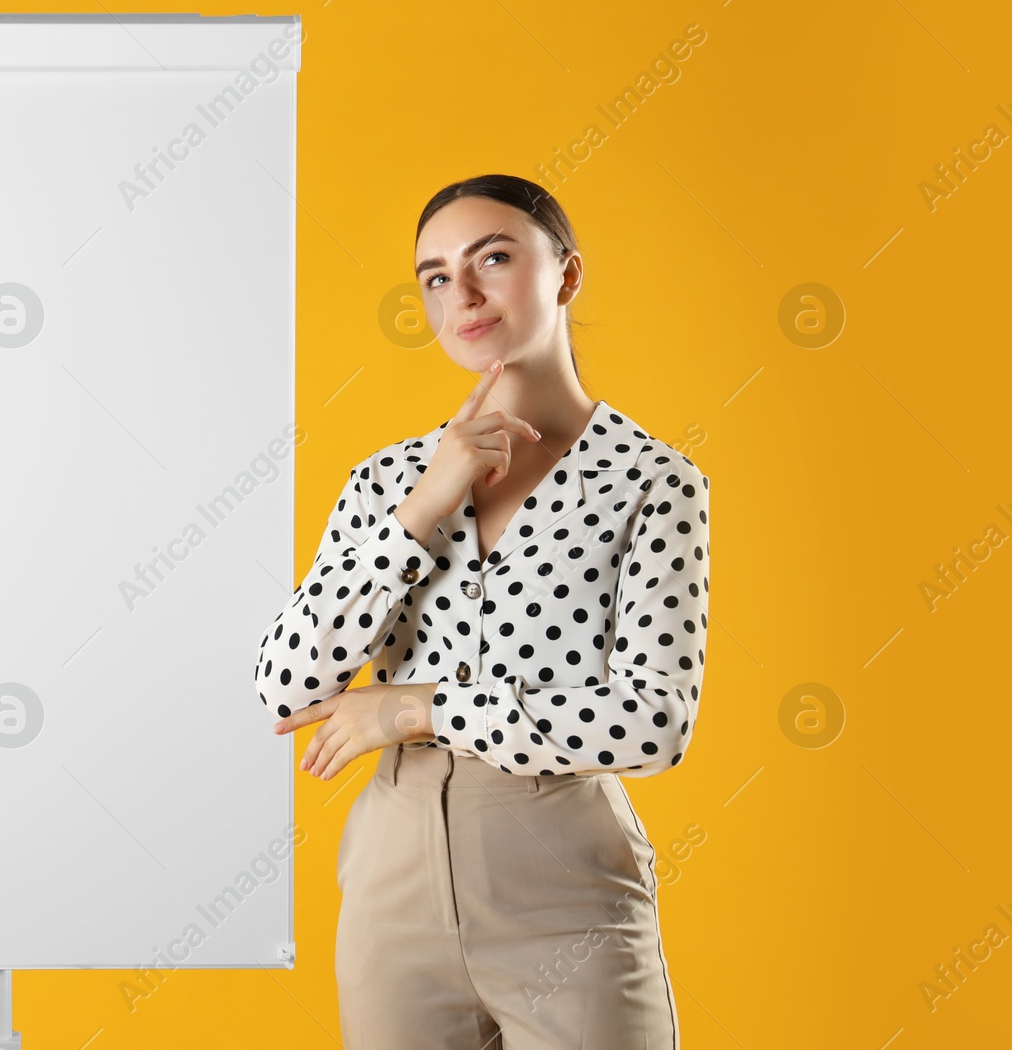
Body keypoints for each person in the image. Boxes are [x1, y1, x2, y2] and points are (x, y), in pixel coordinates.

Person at [252, 173, 710, 1049]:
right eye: (433, 275)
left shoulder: (653, 482)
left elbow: (652, 723)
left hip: (564, 874)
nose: (460, 294)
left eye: (491, 258)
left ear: (566, 274)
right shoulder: (389, 481)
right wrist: (423, 509)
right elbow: (283, 684)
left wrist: (420, 707)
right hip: (393, 872)